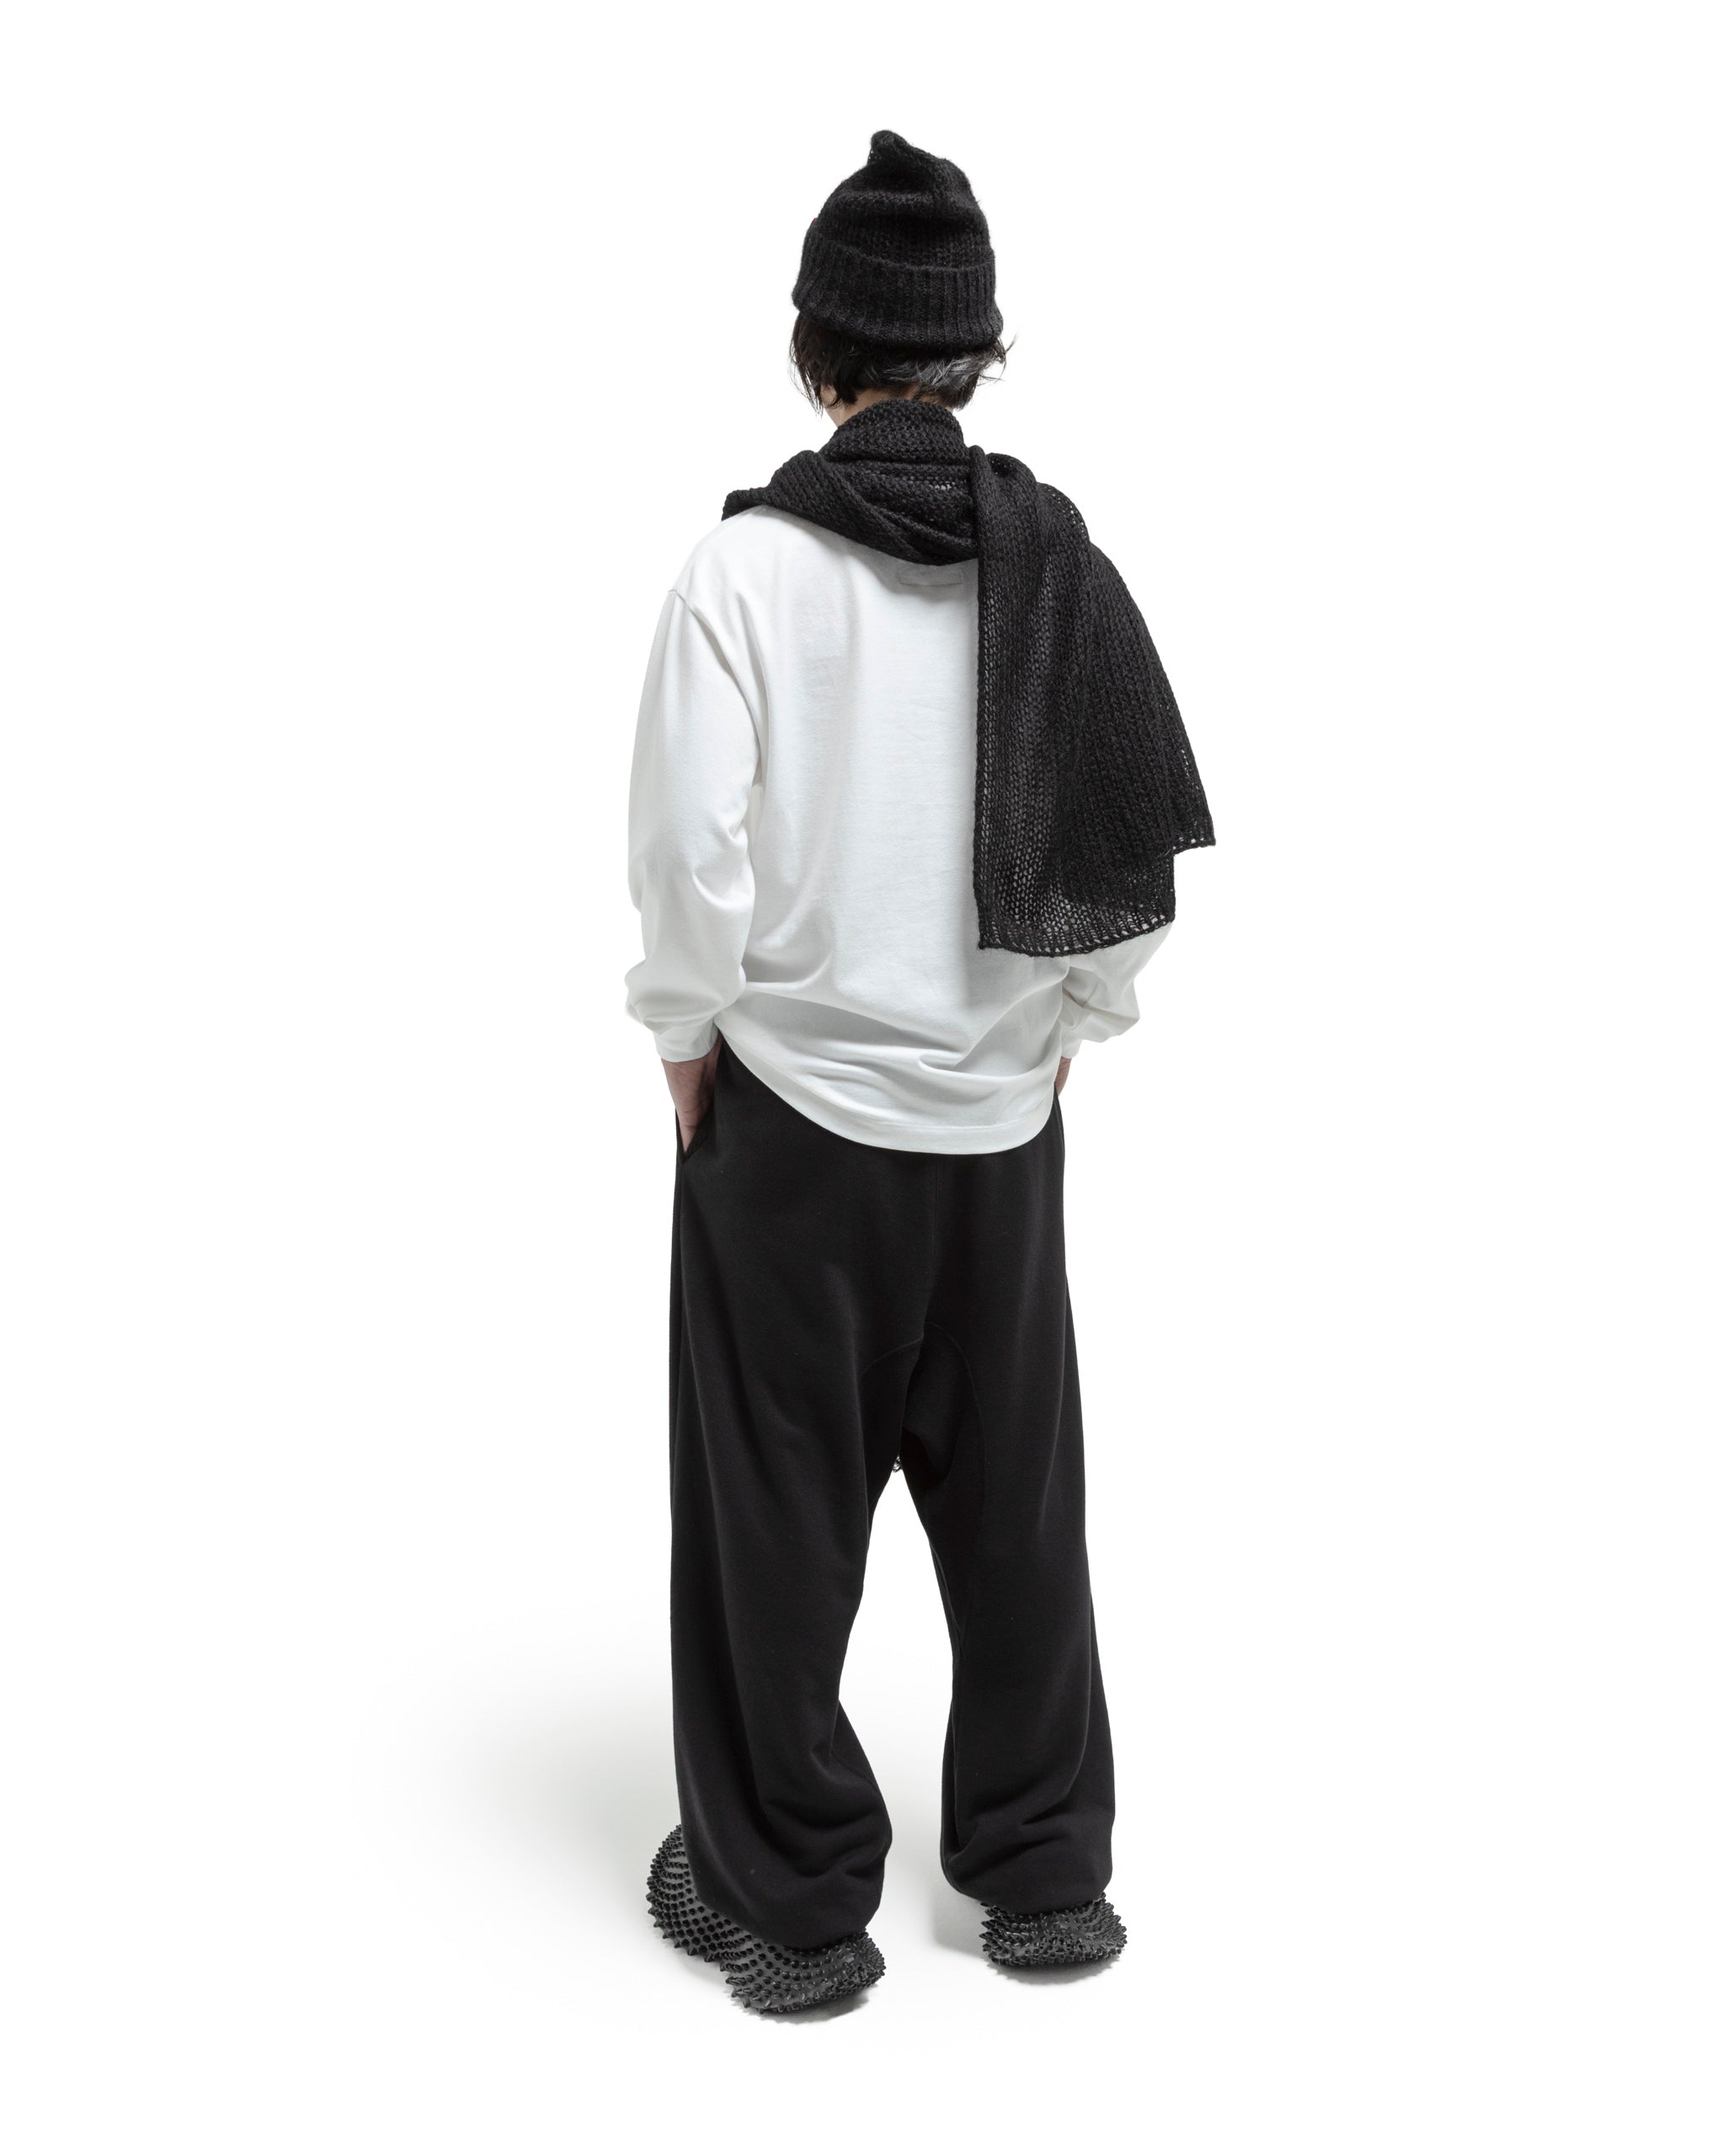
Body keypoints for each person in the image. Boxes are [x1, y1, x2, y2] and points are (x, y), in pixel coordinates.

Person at [624, 131, 1213, 2014]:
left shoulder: (745, 572)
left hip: (793, 1131)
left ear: (818, 348)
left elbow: (691, 852)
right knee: (1019, 1504)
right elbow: (1135, 854)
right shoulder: (1059, 569)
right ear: (977, 351)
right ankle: (1043, 1879)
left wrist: (687, 1034)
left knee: (775, 1516)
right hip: (999, 1127)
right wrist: (1068, 1026)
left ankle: (787, 1907)